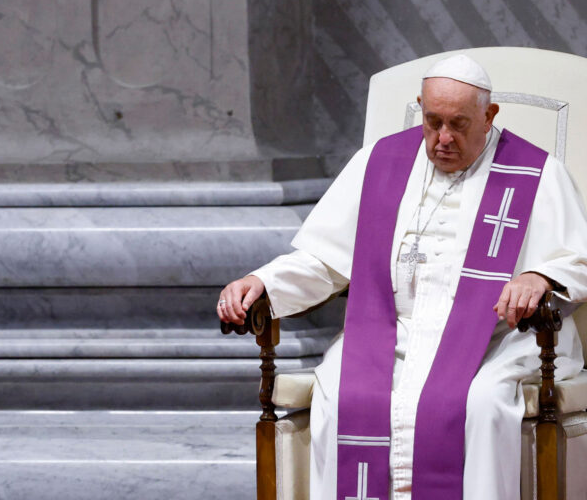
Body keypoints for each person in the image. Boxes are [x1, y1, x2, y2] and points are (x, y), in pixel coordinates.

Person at [217, 55, 587, 500]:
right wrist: (264, 282)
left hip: (496, 339)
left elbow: (577, 257)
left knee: (482, 403)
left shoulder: (534, 172)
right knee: (343, 397)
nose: (443, 138)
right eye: (433, 122)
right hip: (390, 334)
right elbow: (325, 260)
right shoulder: (380, 162)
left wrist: (538, 275)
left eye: (459, 124)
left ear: (489, 116)